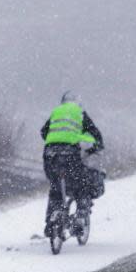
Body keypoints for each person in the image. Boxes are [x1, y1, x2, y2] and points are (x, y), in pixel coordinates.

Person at [40, 91, 104, 237]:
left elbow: (44, 132)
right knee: (82, 183)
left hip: (50, 155)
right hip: (69, 153)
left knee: (55, 187)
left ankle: (51, 223)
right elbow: (96, 134)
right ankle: (81, 216)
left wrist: (55, 140)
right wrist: (95, 147)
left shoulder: (56, 112)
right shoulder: (80, 113)